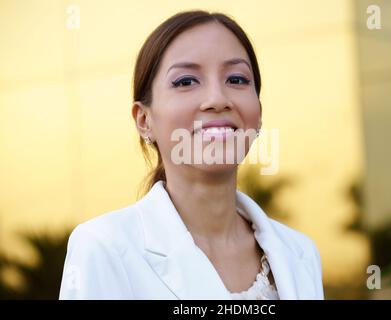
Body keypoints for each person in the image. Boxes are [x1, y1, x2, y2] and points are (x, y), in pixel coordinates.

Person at [59, 10, 324, 300]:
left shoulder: (300, 254)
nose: (217, 99)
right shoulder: (104, 248)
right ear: (144, 120)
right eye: (185, 82)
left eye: (236, 79)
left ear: (258, 114)